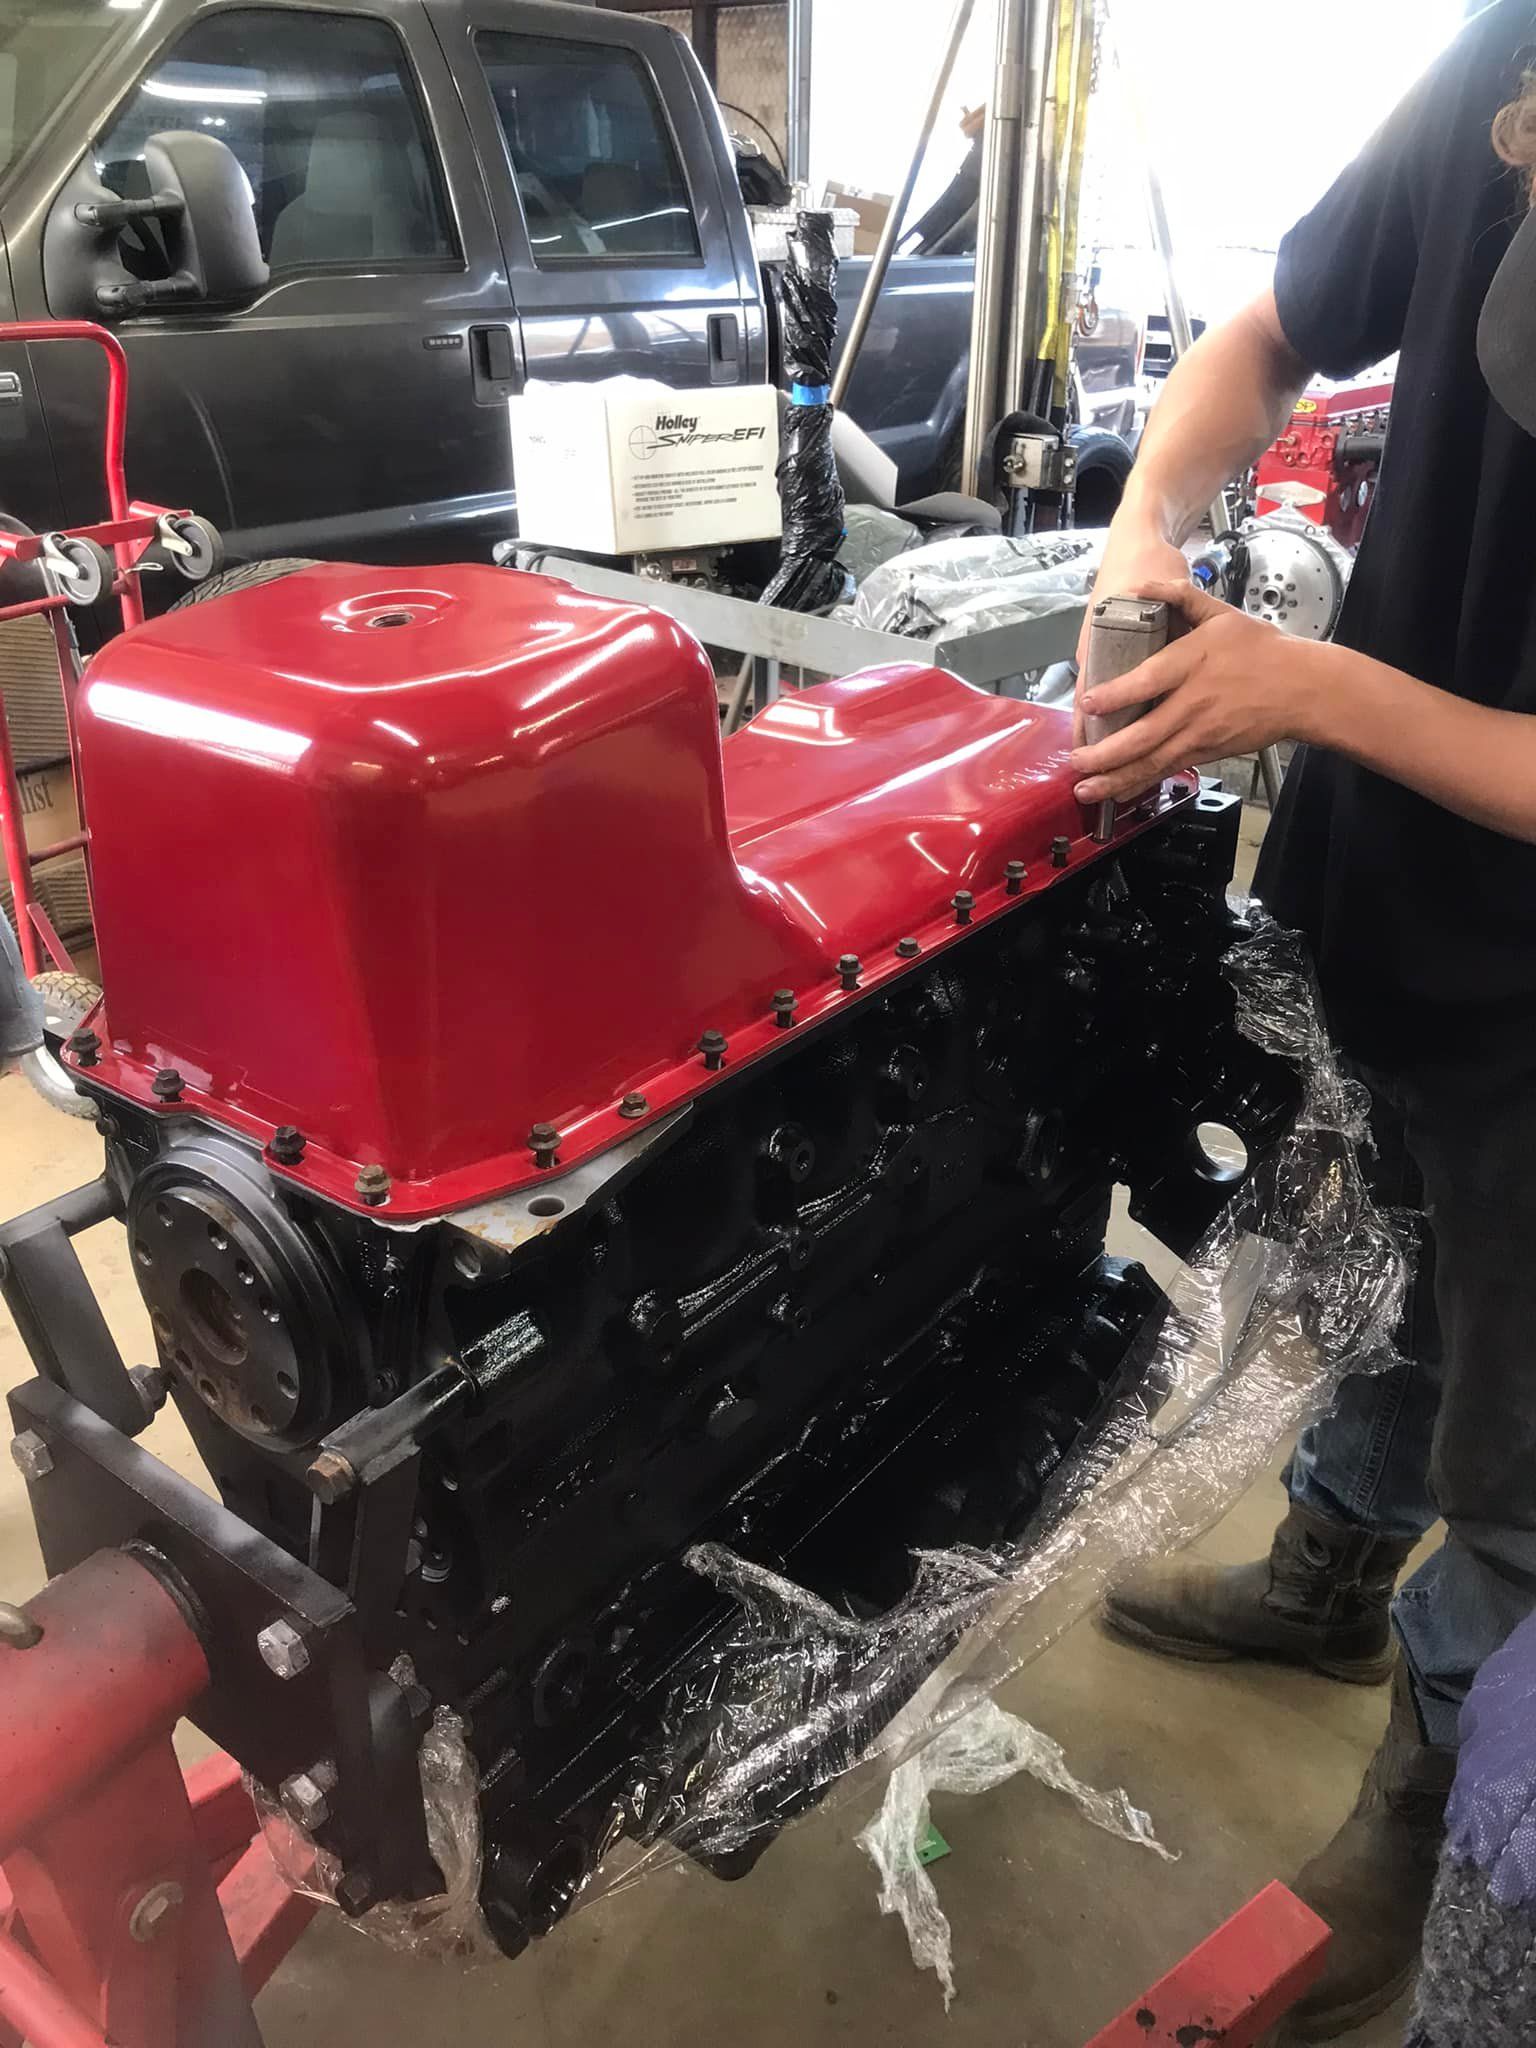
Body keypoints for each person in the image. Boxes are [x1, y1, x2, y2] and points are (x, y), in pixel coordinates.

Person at [1075, 4, 1536, 2038]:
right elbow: (1269, 330)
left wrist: (1307, 689)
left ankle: (1421, 1832)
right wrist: (1146, 516)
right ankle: (1326, 1576)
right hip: (1387, 905)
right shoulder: (1498, 52)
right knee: (1382, 1287)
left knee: (1518, 1473)